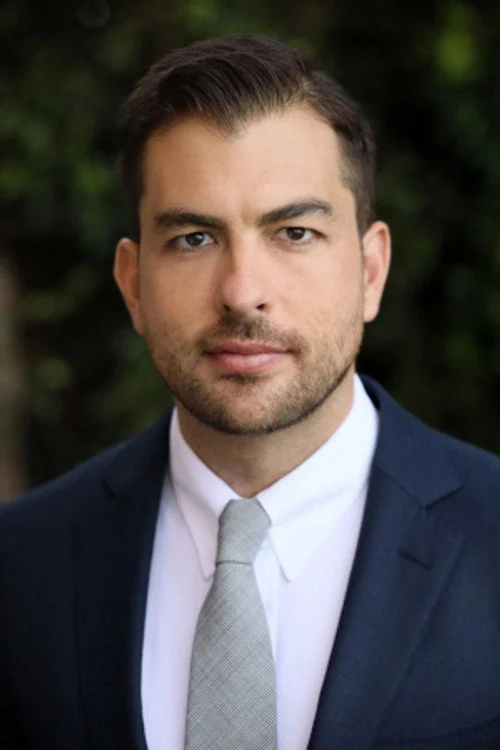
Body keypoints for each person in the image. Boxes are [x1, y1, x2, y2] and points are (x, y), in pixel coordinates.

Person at [1, 34, 500, 750]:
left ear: (370, 272)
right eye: (194, 239)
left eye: (293, 232)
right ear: (133, 285)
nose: (242, 291)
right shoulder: (21, 566)